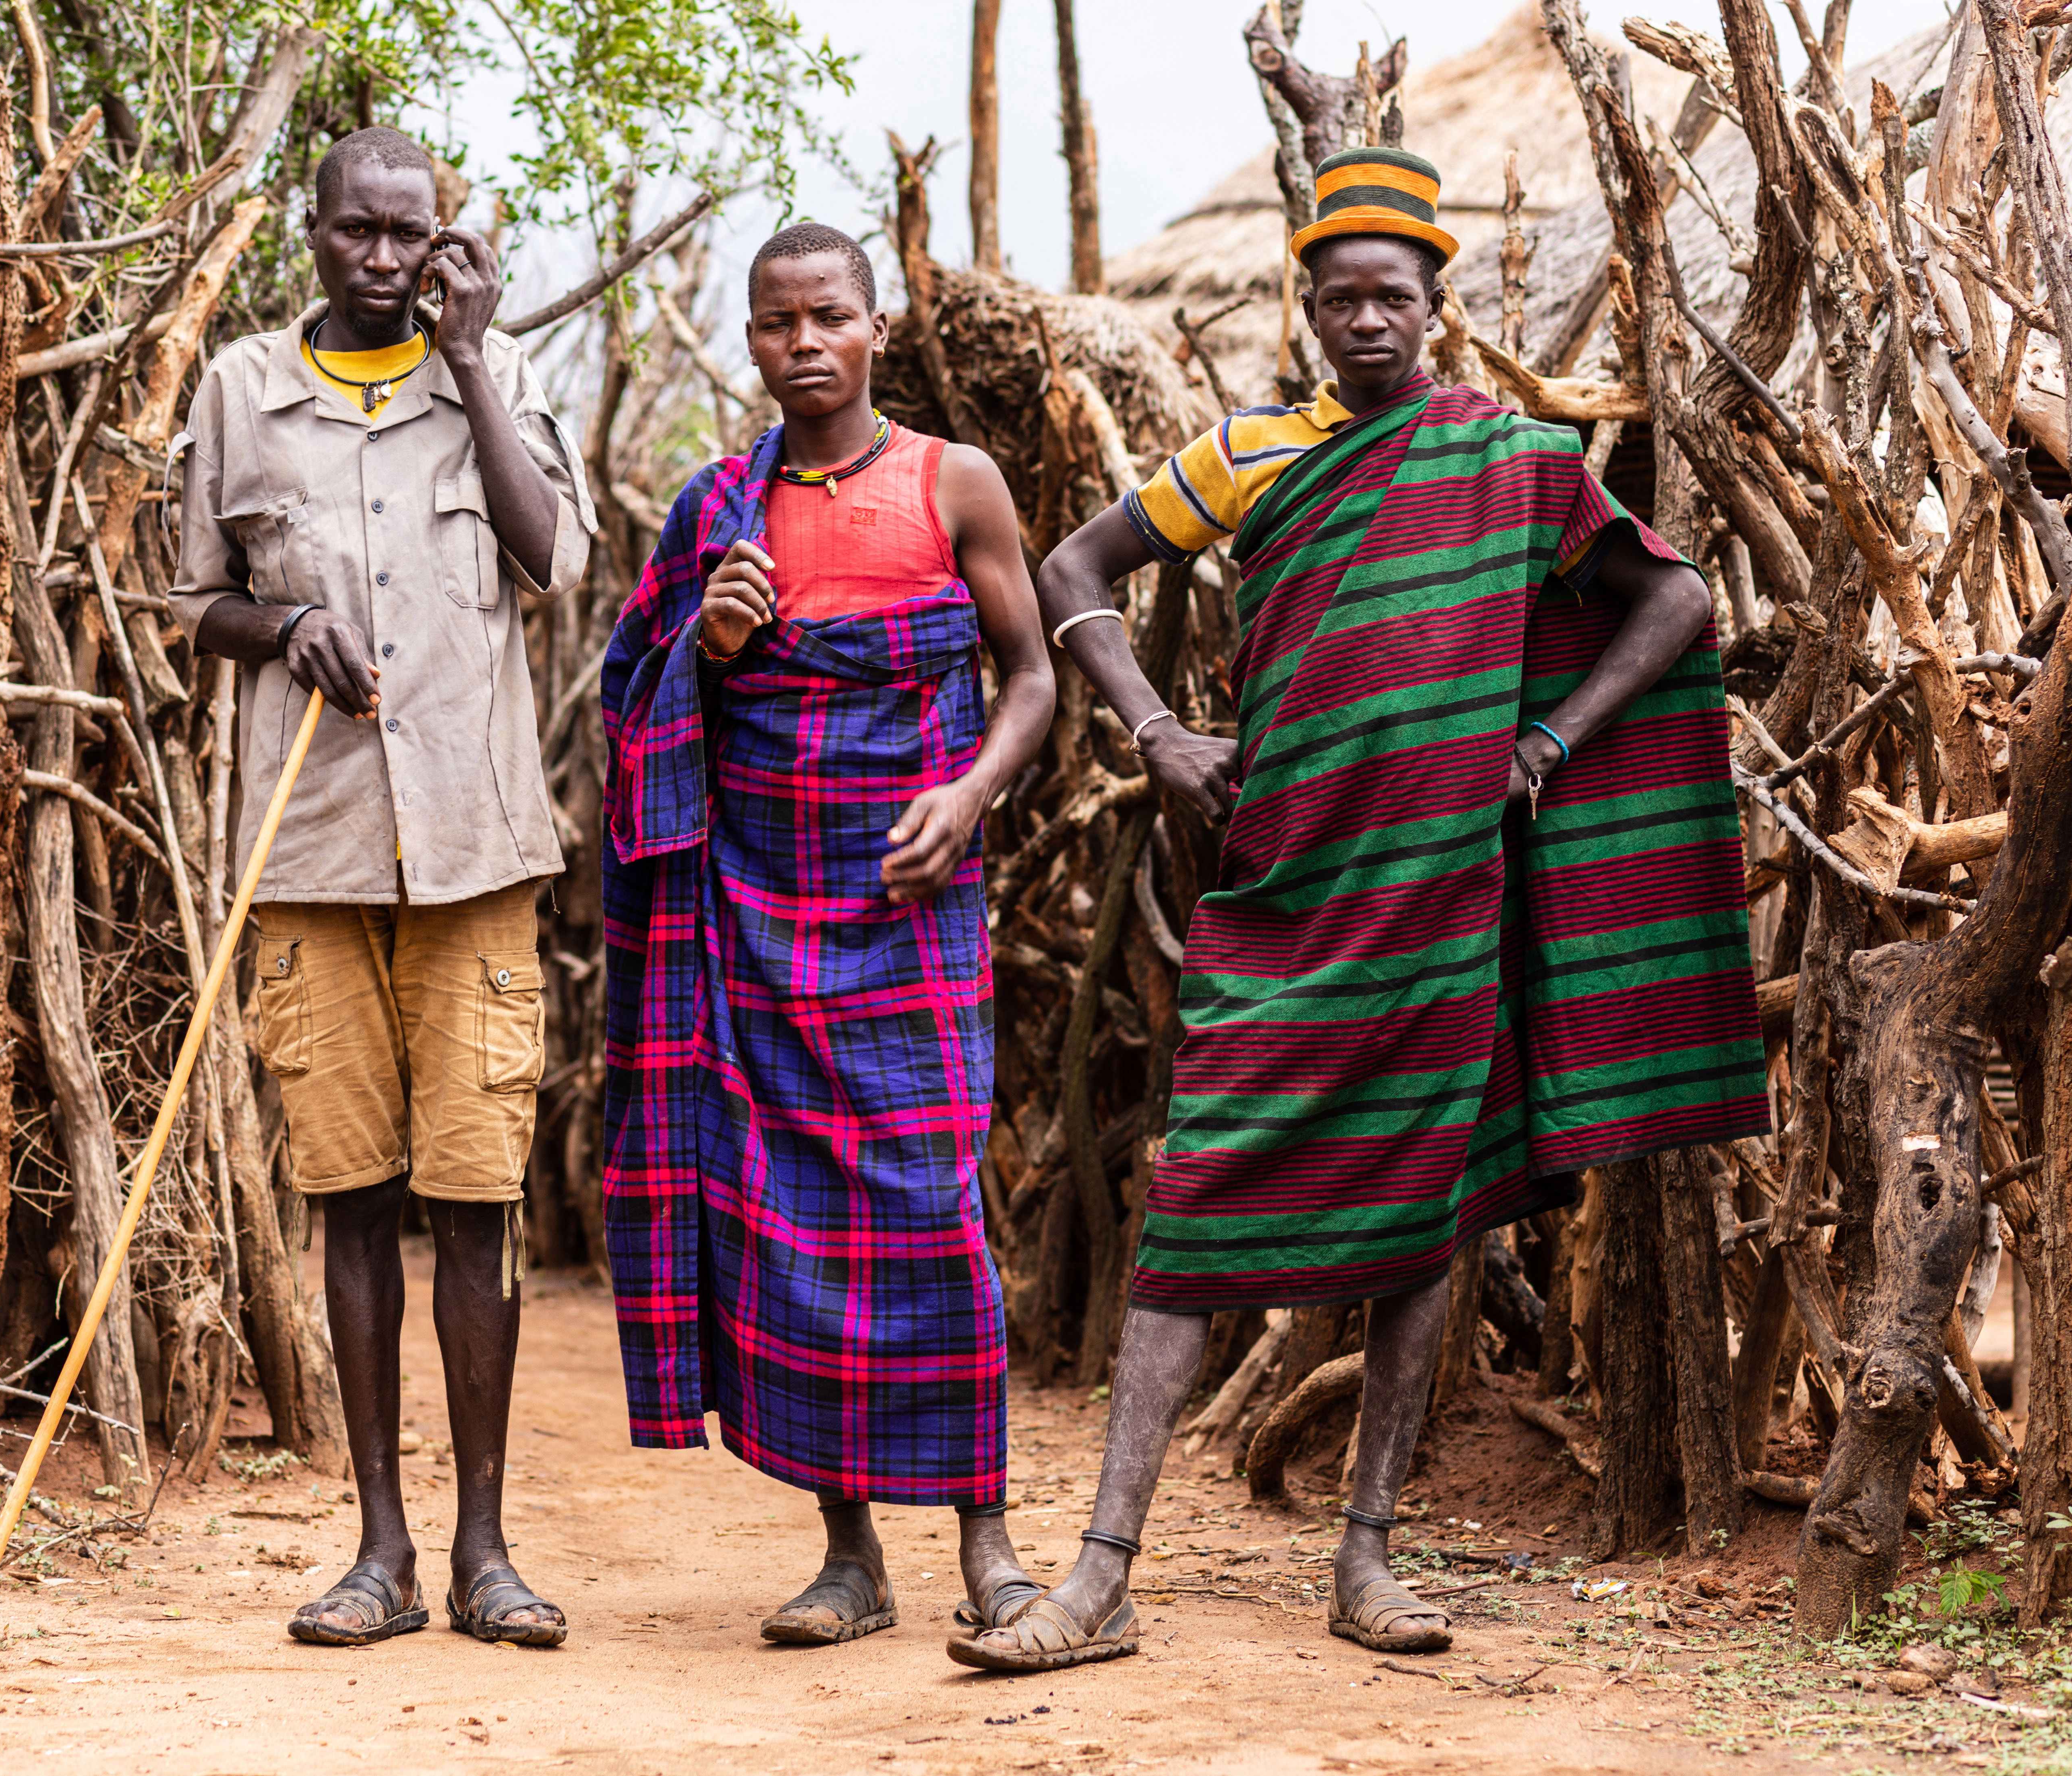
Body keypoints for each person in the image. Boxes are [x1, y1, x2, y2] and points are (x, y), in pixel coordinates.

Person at [950, 147, 1769, 1673]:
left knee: (1419, 1223)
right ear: (1309, 307)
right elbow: (1076, 564)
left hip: (1443, 898)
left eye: (1393, 296)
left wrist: (1545, 742)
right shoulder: (1257, 453)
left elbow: (1676, 602)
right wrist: (1155, 730)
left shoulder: (1517, 462)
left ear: (1436, 306)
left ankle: (1368, 1559)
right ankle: (1101, 1577)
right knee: (1190, 1213)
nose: (1367, 321)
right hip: (1279, 892)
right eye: (1342, 300)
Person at [169, 126, 593, 1650]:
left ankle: (486, 1550)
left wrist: (475, 364)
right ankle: (382, 1552)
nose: (386, 259)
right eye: (360, 232)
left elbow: (549, 556)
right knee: (350, 1203)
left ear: (444, 241)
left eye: (412, 235)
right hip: (316, 857)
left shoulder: (503, 380)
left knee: (474, 1205)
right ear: (314, 229)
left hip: (476, 853)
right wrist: (280, 629)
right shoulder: (241, 390)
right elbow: (190, 594)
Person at [601, 223, 1055, 1645]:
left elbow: (1034, 678)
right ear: (749, 339)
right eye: (778, 322)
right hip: (760, 916)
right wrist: (710, 645)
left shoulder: (953, 482)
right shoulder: (711, 509)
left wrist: (969, 796)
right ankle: (849, 1555)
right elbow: (632, 707)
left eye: (832, 317)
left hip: (913, 912)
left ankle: (989, 1542)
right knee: (784, 1232)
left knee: (936, 1212)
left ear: (879, 328)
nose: (806, 343)